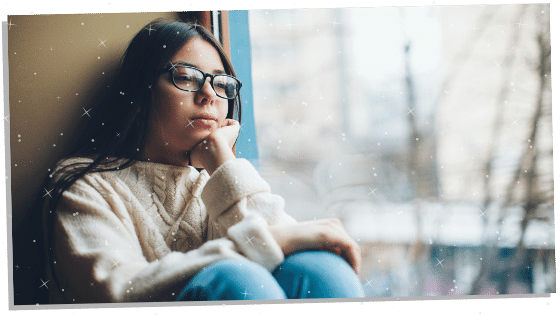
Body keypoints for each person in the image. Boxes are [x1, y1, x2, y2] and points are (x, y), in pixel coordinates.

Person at [42, 18, 364, 303]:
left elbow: (280, 248)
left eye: (222, 84)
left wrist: (223, 162)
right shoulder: (81, 185)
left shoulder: (212, 185)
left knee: (322, 271)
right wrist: (267, 241)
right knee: (239, 282)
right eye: (186, 77)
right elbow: (120, 292)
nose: (209, 94)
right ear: (141, 92)